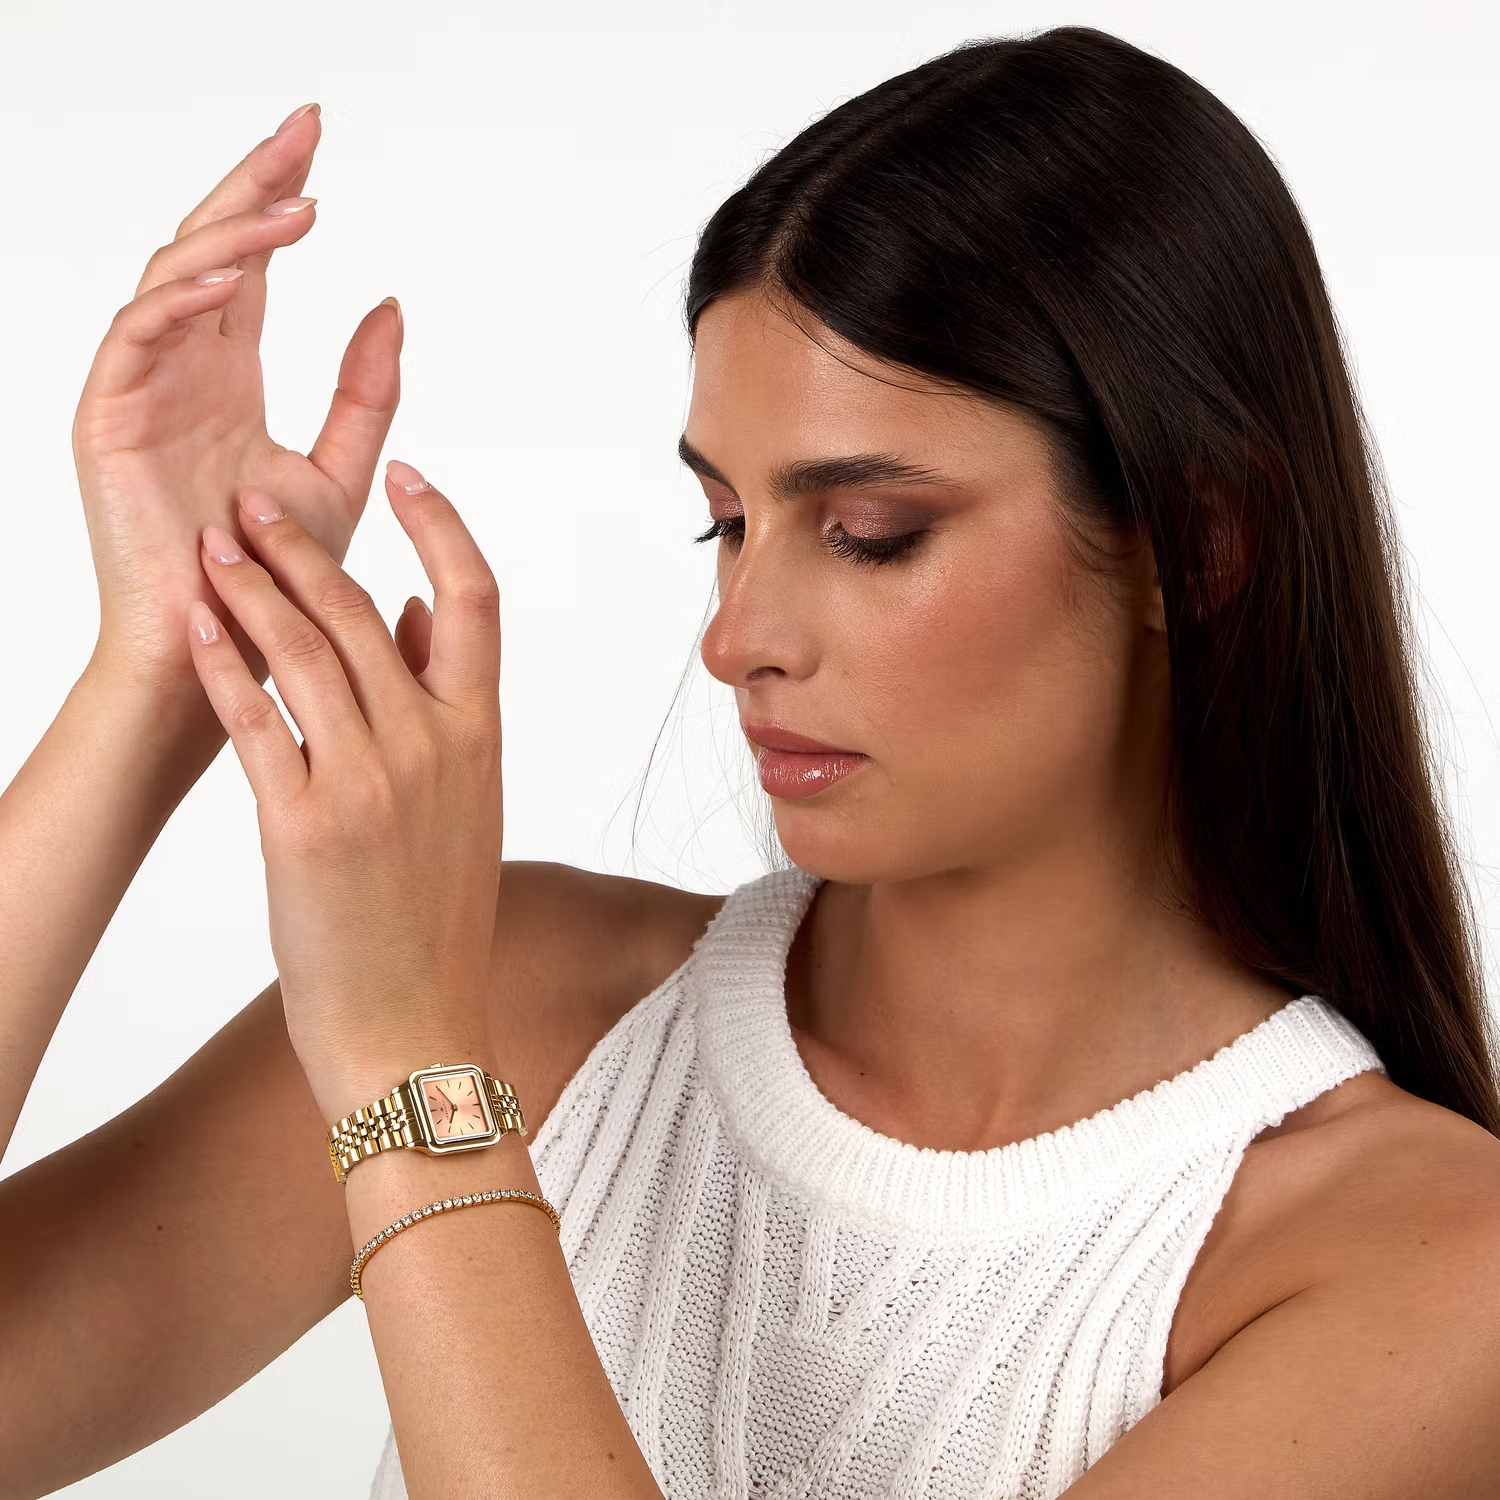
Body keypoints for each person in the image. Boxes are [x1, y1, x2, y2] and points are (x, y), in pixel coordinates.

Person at [2, 23, 1498, 1500]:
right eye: (726, 522)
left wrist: (412, 1081)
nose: (736, 638)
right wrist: (167, 663)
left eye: (868, 534)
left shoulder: (1426, 1268)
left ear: (1201, 540)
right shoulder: (524, 998)